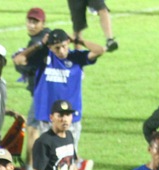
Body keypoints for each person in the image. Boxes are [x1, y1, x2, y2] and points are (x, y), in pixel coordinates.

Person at [29, 28, 104, 161]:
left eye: (64, 46)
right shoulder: (43, 57)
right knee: (48, 158)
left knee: (67, 158)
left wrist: (78, 40)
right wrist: (40, 44)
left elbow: (100, 50)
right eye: (57, 48)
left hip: (70, 118)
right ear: (50, 47)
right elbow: (19, 59)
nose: (62, 51)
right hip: (48, 117)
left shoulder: (76, 57)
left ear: (68, 42)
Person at [11, 7, 51, 170]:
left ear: (43, 23)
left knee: (34, 128)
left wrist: (39, 45)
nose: (32, 25)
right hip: (44, 92)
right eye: (30, 21)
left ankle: (31, 167)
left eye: (36, 22)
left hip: (43, 93)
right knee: (39, 128)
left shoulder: (43, 40)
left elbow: (19, 60)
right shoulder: (41, 39)